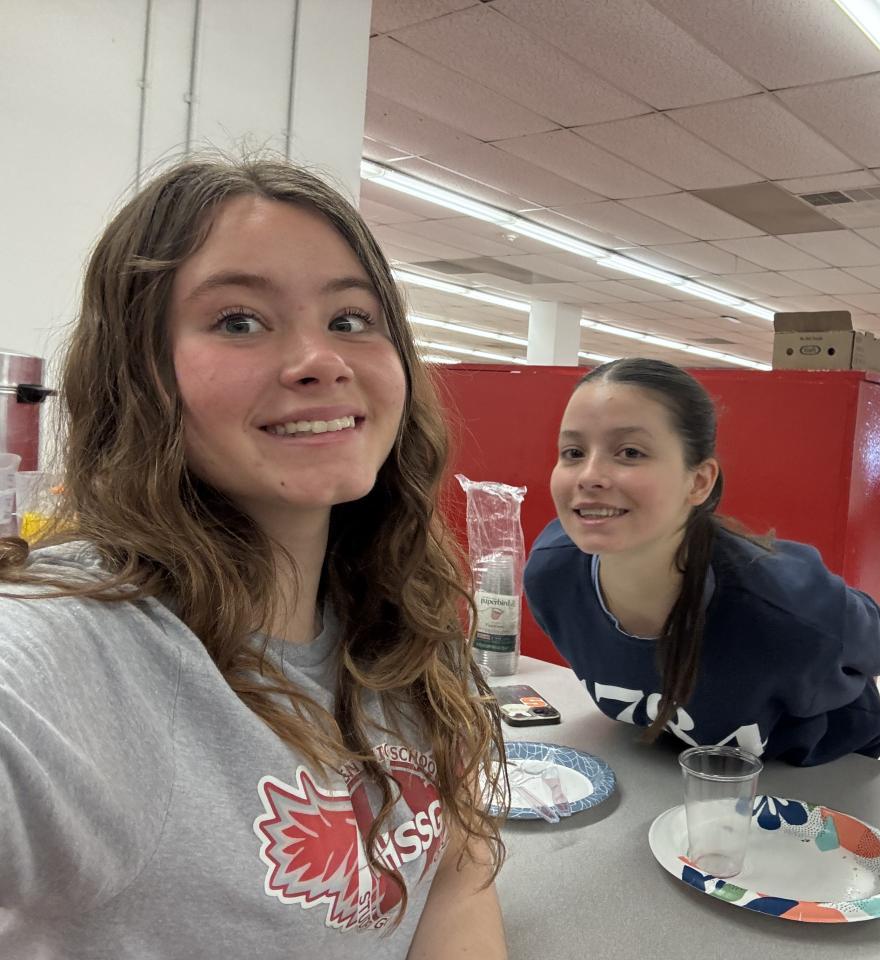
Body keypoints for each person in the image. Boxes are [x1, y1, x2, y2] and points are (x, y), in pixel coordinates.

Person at [0, 158, 507, 958]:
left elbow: (455, 866)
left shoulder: (400, 613)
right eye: (238, 321)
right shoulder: (79, 650)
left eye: (351, 319)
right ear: (137, 372)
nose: (322, 359)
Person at [523, 358, 880, 767]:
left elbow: (878, 647)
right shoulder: (553, 576)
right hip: (669, 765)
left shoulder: (785, 605)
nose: (589, 475)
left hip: (813, 776)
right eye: (573, 452)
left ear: (699, 481)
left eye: (630, 452)